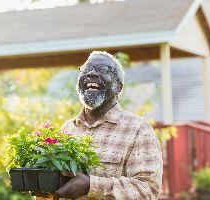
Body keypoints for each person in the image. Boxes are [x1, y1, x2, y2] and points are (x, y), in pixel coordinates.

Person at [36, 51, 163, 200]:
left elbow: (147, 189)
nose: (91, 74)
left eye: (103, 70)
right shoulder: (68, 129)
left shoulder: (138, 129)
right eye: (85, 69)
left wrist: (90, 186)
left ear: (118, 87)